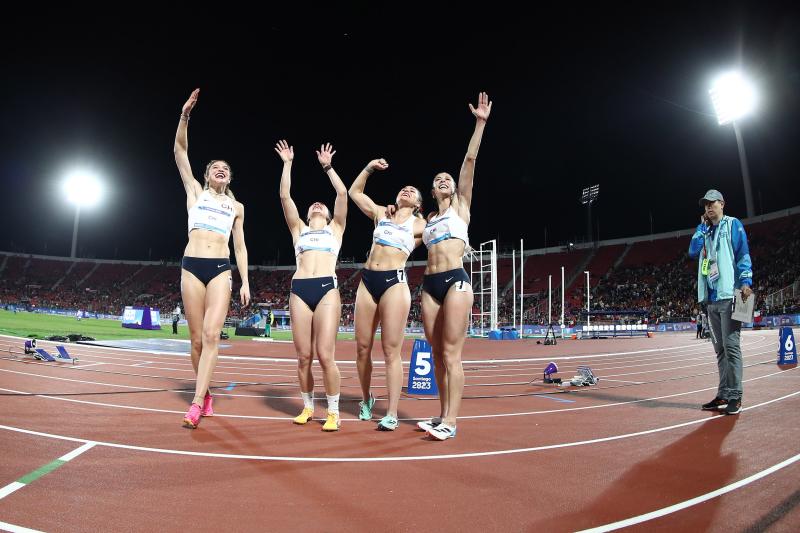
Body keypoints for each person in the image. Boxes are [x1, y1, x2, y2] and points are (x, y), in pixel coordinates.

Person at [417, 92, 492, 440]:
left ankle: (452, 421)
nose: (444, 180)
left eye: (447, 178)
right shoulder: (428, 219)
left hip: (455, 281)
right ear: (432, 191)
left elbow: (470, 160)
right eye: (438, 180)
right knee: (435, 354)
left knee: (451, 352)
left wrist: (479, 123)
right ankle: (440, 413)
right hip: (429, 285)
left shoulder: (460, 206)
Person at [174, 88, 250, 428]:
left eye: (226, 169)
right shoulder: (194, 192)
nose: (221, 170)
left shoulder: (237, 207)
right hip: (191, 266)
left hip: (220, 269)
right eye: (215, 168)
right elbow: (179, 150)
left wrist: (246, 280)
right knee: (194, 339)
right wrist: (185, 115)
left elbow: (241, 246)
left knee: (211, 335)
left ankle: (194, 403)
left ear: (230, 178)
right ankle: (205, 394)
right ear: (206, 175)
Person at [275, 140, 347, 432]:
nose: (317, 203)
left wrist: (328, 167)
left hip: (327, 288)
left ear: (328, 215)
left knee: (325, 354)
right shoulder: (299, 230)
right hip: (300, 290)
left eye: (322, 204)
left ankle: (333, 412)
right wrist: (288, 163)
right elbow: (284, 196)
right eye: (313, 204)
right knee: (303, 356)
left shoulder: (336, 229)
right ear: (307, 214)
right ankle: (307, 406)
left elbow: (342, 193)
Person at [348, 158, 425, 430]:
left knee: (391, 350)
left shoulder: (420, 225)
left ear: (417, 204)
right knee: (362, 348)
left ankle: (391, 411)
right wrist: (368, 168)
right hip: (368, 280)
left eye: (412, 191)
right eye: (403, 188)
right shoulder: (382, 213)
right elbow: (354, 193)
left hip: (394, 282)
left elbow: (445, 235)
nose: (406, 190)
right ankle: (366, 398)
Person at [689, 189, 753, 416]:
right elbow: (692, 251)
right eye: (705, 204)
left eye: (712, 203)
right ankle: (724, 393)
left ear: (722, 204)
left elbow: (742, 254)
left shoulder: (732, 225)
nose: (708, 207)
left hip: (730, 295)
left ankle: (736, 396)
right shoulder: (705, 231)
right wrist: (700, 228)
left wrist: (745, 281)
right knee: (720, 350)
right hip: (711, 299)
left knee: (731, 347)